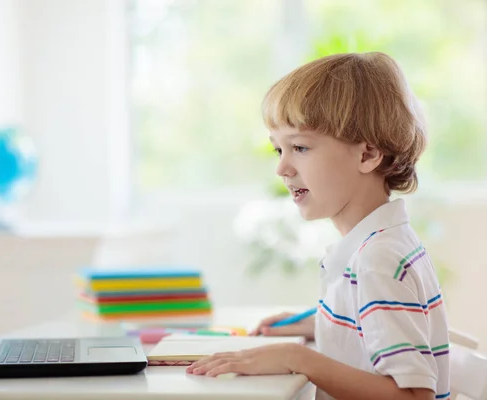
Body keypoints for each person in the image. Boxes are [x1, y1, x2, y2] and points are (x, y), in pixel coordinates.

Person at [186, 52, 450, 400]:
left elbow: (414, 396)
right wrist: (320, 324)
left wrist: (298, 358)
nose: (282, 169)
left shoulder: (378, 261)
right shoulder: (384, 244)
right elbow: (381, 326)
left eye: (299, 147)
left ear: (368, 155)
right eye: (277, 149)